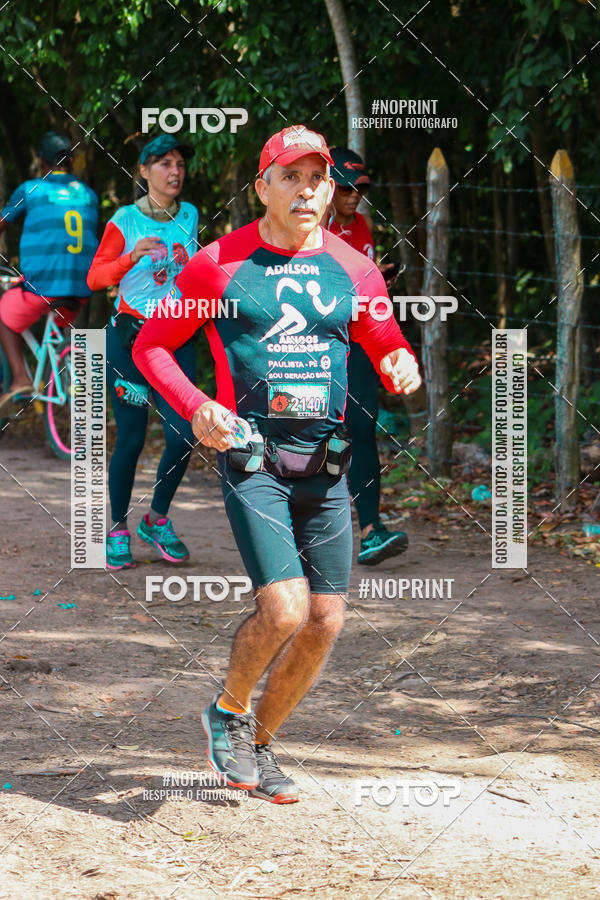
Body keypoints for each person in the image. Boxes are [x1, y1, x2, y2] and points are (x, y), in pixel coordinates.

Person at [133, 125, 421, 804]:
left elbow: (382, 334)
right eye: (289, 176)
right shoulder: (219, 266)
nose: (305, 189)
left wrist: (398, 359)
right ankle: (226, 711)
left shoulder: (355, 267)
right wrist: (197, 405)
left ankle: (257, 746)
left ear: (330, 188)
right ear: (262, 186)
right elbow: (152, 347)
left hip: (325, 464)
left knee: (326, 619)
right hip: (252, 456)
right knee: (285, 608)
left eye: (316, 177)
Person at [86, 133, 199, 570]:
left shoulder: (188, 215)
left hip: (174, 340)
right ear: (144, 171)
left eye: (180, 165)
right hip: (130, 341)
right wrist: (131, 257)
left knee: (183, 435)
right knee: (131, 439)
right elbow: (96, 279)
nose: (174, 172)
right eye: (165, 164)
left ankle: (156, 519)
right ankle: (117, 528)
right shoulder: (124, 220)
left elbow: (194, 268)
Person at [327, 146, 409, 566]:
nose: (353, 195)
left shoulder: (362, 226)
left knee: (362, 428)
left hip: (356, 342)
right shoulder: (307, 226)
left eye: (359, 188)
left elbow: (361, 283)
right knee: (312, 435)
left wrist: (379, 283)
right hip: (314, 347)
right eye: (344, 187)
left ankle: (372, 530)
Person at [0, 131, 98, 413]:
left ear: (42, 161)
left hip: (40, 289)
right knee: (55, 330)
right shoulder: (88, 195)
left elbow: (3, 223)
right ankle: (61, 364)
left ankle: (20, 380)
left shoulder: (32, 189)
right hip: (80, 291)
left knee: (5, 316)